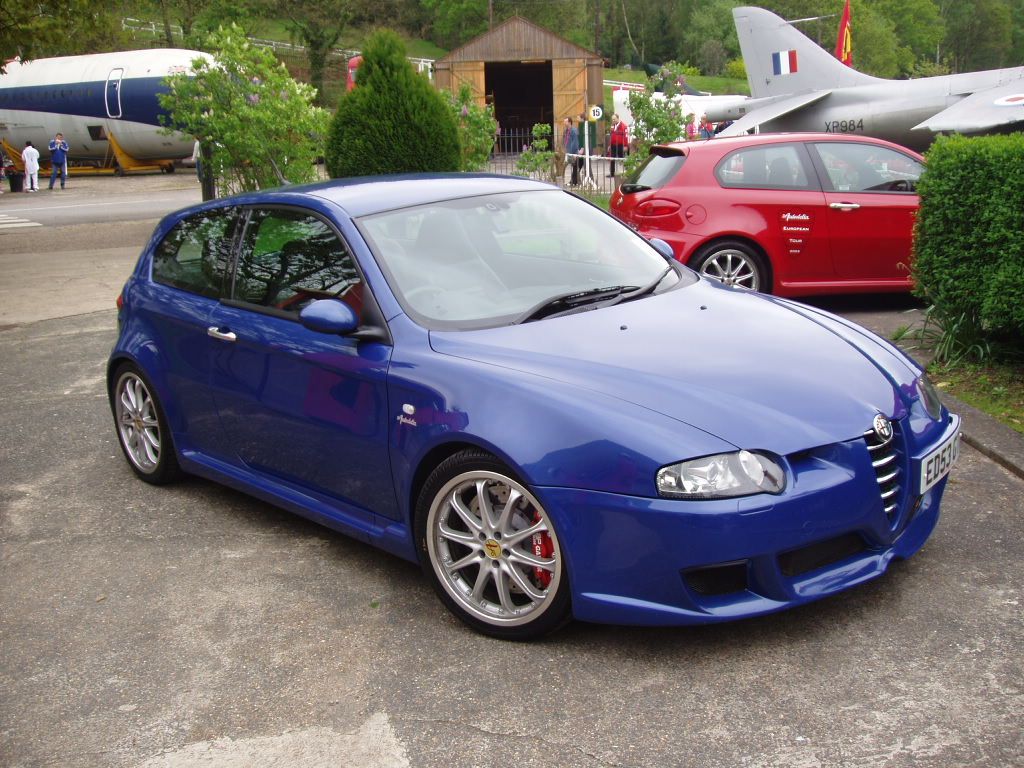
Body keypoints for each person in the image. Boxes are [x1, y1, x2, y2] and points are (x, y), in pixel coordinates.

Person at [562, 117, 579, 186]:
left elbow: (575, 142)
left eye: (565, 122)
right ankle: (574, 181)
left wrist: (574, 153)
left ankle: (574, 181)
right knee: (573, 166)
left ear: (569, 122)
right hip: (568, 151)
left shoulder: (574, 131)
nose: (564, 123)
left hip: (572, 152)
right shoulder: (566, 131)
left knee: (574, 166)